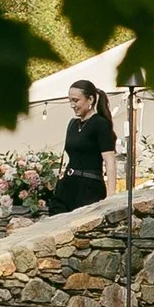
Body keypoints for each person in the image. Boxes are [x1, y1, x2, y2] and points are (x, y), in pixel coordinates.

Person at [57, 78, 114, 213]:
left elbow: (110, 160)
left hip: (89, 188)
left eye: (76, 100)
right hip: (67, 186)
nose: (72, 105)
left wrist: (111, 196)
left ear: (90, 100)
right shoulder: (72, 124)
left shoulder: (100, 124)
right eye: (70, 100)